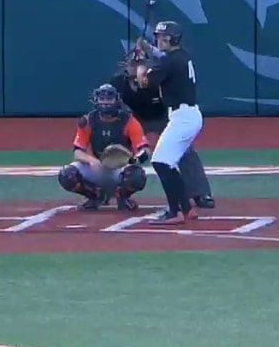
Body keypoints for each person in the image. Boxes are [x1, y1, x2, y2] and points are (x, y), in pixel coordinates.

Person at [111, 52, 215, 208]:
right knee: (113, 146)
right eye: (133, 63)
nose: (136, 67)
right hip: (133, 120)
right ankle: (109, 190)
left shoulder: (158, 79)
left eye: (140, 63)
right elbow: (116, 112)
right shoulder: (119, 82)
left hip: (161, 118)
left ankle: (200, 193)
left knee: (184, 149)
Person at [132, 20, 202, 225]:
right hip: (187, 115)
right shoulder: (181, 55)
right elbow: (162, 58)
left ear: (171, 38)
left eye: (162, 37)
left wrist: (140, 63)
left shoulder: (169, 61)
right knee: (166, 162)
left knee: (161, 161)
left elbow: (144, 82)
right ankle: (186, 208)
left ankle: (175, 211)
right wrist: (147, 49)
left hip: (183, 117)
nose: (159, 40)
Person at [58, 84, 151, 211]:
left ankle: (122, 197)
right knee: (67, 174)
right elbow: (77, 152)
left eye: (109, 99)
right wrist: (92, 160)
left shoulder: (128, 121)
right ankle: (95, 195)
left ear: (116, 100)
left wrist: (131, 160)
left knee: (137, 176)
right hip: (98, 168)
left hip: (120, 169)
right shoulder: (88, 121)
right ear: (96, 101)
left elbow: (145, 150)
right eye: (102, 99)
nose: (105, 103)